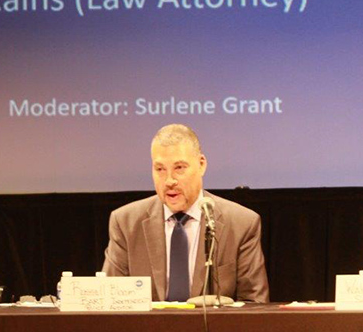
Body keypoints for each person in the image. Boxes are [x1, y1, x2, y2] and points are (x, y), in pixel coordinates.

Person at [102, 124, 270, 302]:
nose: (169, 181)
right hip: (147, 330)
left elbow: (255, 304)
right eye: (160, 169)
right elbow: (110, 301)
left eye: (179, 168)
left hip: (212, 329)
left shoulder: (241, 223)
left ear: (201, 164)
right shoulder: (126, 222)